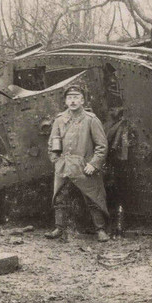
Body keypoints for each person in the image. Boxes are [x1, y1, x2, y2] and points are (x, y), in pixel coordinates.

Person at [47, 83, 110, 242]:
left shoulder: (91, 120)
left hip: (84, 167)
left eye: (76, 98)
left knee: (92, 198)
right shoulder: (60, 120)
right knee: (60, 198)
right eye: (69, 98)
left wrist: (94, 164)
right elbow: (52, 143)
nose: (73, 101)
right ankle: (59, 228)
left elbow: (102, 146)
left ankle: (100, 229)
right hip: (64, 166)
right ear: (65, 101)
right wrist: (56, 161)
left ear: (82, 101)